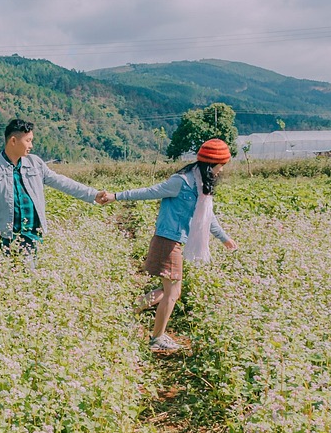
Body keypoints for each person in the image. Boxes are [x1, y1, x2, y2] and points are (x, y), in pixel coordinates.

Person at [98, 138, 238, 353]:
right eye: (220, 166)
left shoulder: (200, 187)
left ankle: (126, 312)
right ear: (211, 164)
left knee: (167, 291)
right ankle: (157, 339)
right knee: (173, 292)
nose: (220, 171)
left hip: (174, 241)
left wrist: (225, 239)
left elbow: (208, 218)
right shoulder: (181, 181)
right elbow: (148, 192)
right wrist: (116, 197)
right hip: (167, 240)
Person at [0, 118, 105, 268]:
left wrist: (93, 194)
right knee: (10, 282)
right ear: (13, 141)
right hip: (6, 238)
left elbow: (62, 182)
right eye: (28, 141)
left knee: (26, 279)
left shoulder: (36, 163)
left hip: (31, 235)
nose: (31, 145)